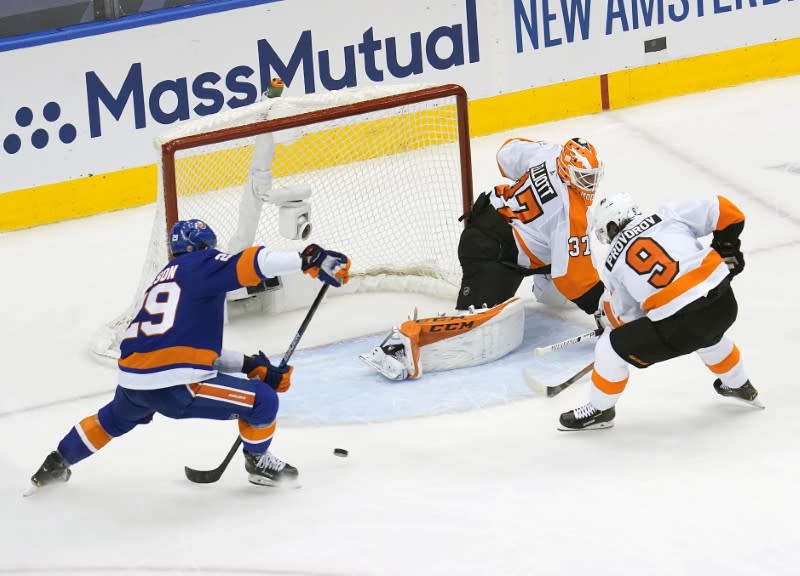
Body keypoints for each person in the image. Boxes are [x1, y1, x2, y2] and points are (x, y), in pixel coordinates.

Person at [29, 219, 351, 489]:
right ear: (203, 248)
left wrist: (251, 365)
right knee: (264, 400)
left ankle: (55, 465)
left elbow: (191, 349)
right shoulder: (201, 265)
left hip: (132, 382)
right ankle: (257, 461)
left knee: (111, 419)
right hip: (175, 387)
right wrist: (307, 259)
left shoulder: (162, 280)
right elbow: (253, 261)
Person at [361, 137, 606, 381]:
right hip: (492, 252)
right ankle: (405, 341)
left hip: (493, 217)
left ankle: (545, 281)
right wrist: (605, 310)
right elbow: (574, 279)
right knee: (476, 328)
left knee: (564, 277)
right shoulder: (571, 214)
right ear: (566, 170)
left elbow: (505, 154)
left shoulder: (550, 152)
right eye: (583, 178)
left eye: (592, 177)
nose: (589, 185)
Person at [558, 192, 761, 431]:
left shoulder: (612, 264)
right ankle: (739, 384)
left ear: (611, 226)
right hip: (724, 305)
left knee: (609, 347)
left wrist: (609, 323)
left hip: (681, 327)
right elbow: (727, 210)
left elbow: (627, 318)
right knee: (706, 333)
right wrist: (726, 248)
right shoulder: (667, 215)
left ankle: (600, 409)